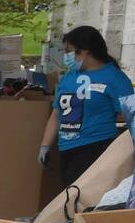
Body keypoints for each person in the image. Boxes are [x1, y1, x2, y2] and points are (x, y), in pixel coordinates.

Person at [39, 25, 134, 188]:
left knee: (77, 196)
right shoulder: (69, 77)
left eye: (68, 51)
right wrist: (45, 145)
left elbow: (131, 116)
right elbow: (56, 114)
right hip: (66, 148)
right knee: (69, 194)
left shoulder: (115, 78)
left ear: (84, 51)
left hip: (97, 146)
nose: (66, 56)